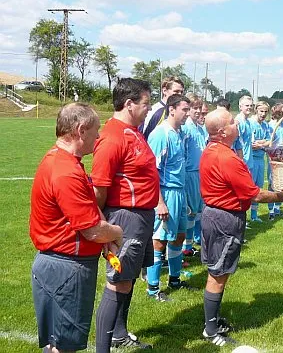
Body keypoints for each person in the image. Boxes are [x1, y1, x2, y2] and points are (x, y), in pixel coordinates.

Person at [30, 103, 123, 353]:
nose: (99, 136)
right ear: (81, 130)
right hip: (66, 268)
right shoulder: (65, 170)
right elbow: (91, 230)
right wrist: (116, 233)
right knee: (64, 346)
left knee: (57, 343)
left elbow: (88, 210)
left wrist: (104, 237)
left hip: (59, 265)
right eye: (96, 130)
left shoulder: (66, 162)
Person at [199, 108, 283, 346]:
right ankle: (210, 330)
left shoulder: (211, 150)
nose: (237, 126)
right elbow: (255, 195)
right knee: (218, 273)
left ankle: (213, 319)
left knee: (218, 270)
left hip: (213, 215)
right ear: (221, 132)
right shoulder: (228, 158)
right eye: (232, 123)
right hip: (225, 218)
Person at [92, 78, 159, 351]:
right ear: (129, 104)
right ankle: (102, 348)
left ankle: (119, 334)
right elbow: (99, 188)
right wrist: (105, 226)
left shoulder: (134, 131)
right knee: (117, 283)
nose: (149, 108)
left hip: (142, 217)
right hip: (125, 219)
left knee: (127, 280)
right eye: (146, 103)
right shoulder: (112, 137)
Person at [145, 93, 196, 302]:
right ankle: (153, 288)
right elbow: (151, 172)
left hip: (180, 191)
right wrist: (159, 202)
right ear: (172, 109)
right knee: (159, 240)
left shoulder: (181, 133)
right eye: (184, 109)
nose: (187, 114)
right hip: (166, 192)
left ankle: (174, 280)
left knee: (180, 236)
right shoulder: (160, 134)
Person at [182, 93, 209, 256]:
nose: (198, 111)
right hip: (190, 174)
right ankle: (186, 246)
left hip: (200, 173)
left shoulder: (199, 128)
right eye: (195, 108)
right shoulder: (186, 128)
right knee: (191, 212)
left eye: (200, 108)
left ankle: (190, 245)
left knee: (198, 210)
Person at [140, 76, 185, 140]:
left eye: (181, 92)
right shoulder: (156, 111)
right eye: (176, 91)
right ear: (164, 91)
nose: (180, 95)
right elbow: (144, 136)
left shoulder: (177, 111)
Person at [250, 101, 272, 222]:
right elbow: (253, 144)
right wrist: (262, 143)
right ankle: (244, 215)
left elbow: (270, 141)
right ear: (256, 110)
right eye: (261, 111)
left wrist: (262, 143)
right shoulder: (251, 124)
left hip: (261, 159)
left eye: (265, 112)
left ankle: (254, 215)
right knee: (249, 187)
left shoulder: (265, 125)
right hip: (251, 159)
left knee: (258, 187)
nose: (263, 114)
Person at [267, 103, 283, 219]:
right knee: (272, 183)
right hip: (274, 159)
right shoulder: (271, 125)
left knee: (282, 183)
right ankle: (271, 210)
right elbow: (269, 143)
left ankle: (278, 208)